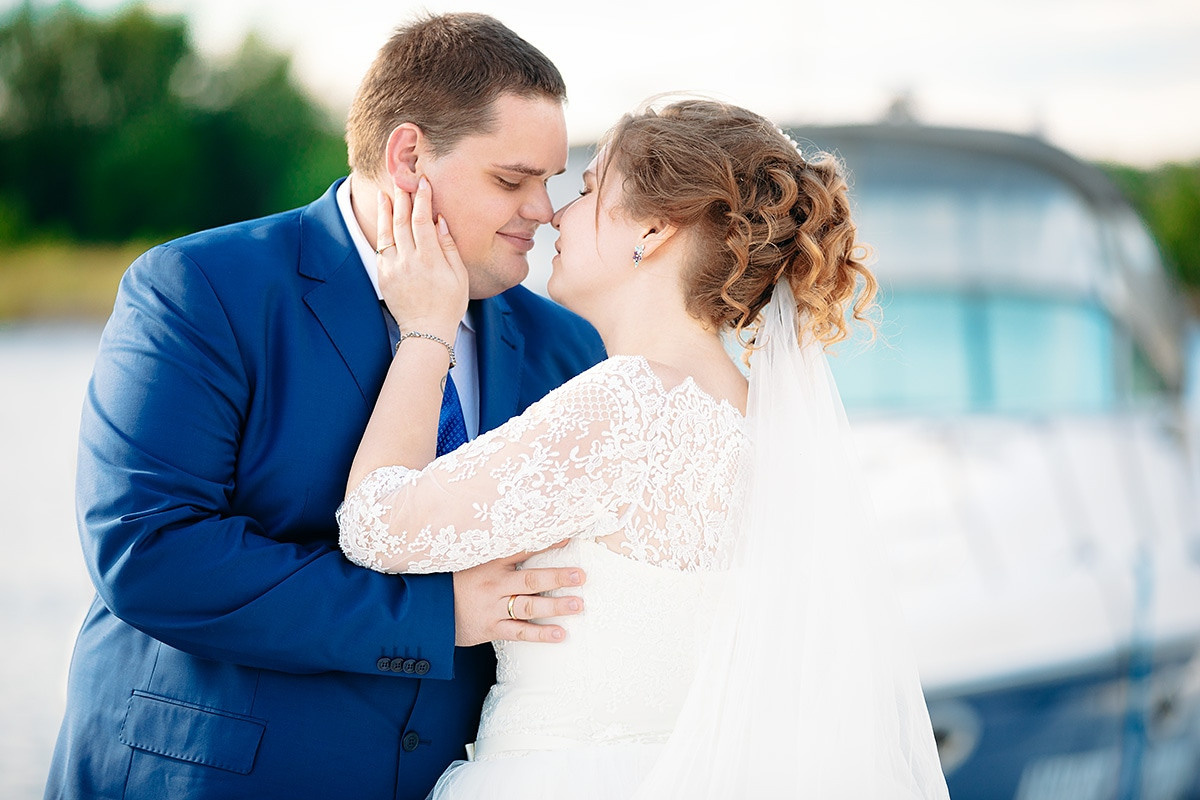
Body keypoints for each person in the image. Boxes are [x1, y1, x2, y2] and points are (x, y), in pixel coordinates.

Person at [44, 13, 605, 800]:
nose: (542, 211)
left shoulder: (567, 350)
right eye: (511, 181)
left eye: (549, 181)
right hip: (205, 777)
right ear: (408, 157)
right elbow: (149, 553)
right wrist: (434, 615)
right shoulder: (201, 290)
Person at [337, 98, 951, 798]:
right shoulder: (763, 425)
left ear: (655, 229)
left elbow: (375, 525)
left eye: (591, 189)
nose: (554, 215)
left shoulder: (630, 404)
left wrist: (426, 328)